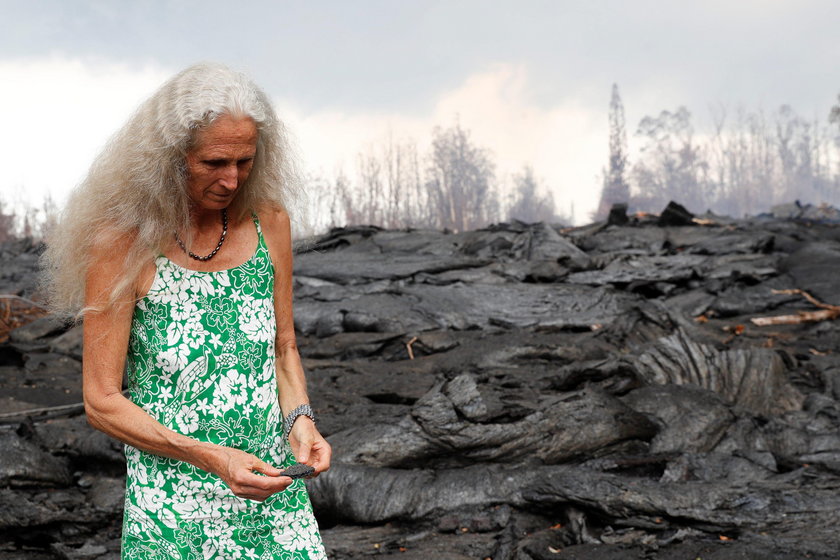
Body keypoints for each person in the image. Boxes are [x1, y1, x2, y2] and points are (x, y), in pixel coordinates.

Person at [43, 63, 330, 559]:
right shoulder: (123, 244)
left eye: (244, 161)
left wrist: (300, 421)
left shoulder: (270, 225)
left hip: (271, 494)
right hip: (172, 511)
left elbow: (283, 348)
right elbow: (101, 400)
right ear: (170, 158)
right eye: (215, 162)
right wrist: (210, 457)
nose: (232, 179)